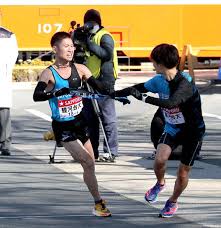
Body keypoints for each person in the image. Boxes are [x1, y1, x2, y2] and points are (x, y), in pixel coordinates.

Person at [113, 44, 205, 218]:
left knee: (183, 172)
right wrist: (114, 93)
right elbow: (137, 89)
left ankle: (172, 201)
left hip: (193, 132)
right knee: (159, 160)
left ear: (161, 63)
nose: (152, 64)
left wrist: (145, 98)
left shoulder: (185, 83)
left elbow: (171, 103)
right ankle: (160, 183)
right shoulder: (158, 80)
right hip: (172, 128)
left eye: (154, 62)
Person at [33, 31, 111, 217]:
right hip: (63, 127)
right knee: (86, 161)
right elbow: (37, 96)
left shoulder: (81, 69)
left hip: (80, 123)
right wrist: (55, 93)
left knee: (90, 164)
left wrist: (121, 93)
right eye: (66, 46)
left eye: (72, 46)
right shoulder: (49, 73)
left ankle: (97, 201)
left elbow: (100, 88)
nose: (70, 49)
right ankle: (98, 203)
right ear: (55, 49)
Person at [82, 9, 118, 161]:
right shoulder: (89, 36)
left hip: (104, 80)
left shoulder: (105, 36)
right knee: (90, 119)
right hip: (89, 80)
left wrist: (88, 45)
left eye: (91, 22)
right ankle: (93, 151)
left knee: (107, 118)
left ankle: (111, 151)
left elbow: (107, 54)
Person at [0, 26, 18, 156]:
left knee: (3, 113)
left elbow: (13, 57)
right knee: (3, 114)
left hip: (2, 77)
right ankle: (5, 144)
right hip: (3, 76)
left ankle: (5, 144)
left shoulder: (7, 34)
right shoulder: (8, 34)